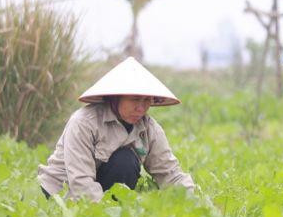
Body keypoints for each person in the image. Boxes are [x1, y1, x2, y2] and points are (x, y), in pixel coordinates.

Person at [37, 58, 195, 201]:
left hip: (101, 187)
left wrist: (194, 200)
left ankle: (114, 209)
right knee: (124, 161)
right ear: (116, 97)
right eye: (134, 100)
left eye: (146, 100)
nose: (141, 108)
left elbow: (170, 174)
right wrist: (107, 215)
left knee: (125, 161)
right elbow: (80, 182)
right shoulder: (84, 123)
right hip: (62, 191)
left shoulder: (149, 129)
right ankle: (111, 211)